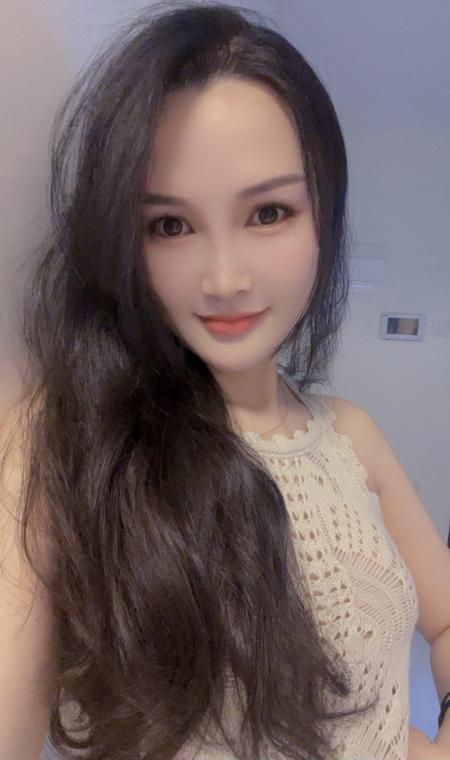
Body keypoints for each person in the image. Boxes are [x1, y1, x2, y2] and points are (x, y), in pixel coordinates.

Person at [1, 2, 449, 759]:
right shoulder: (67, 444)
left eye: (268, 212)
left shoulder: (350, 435)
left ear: (324, 216)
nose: (224, 278)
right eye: (169, 225)